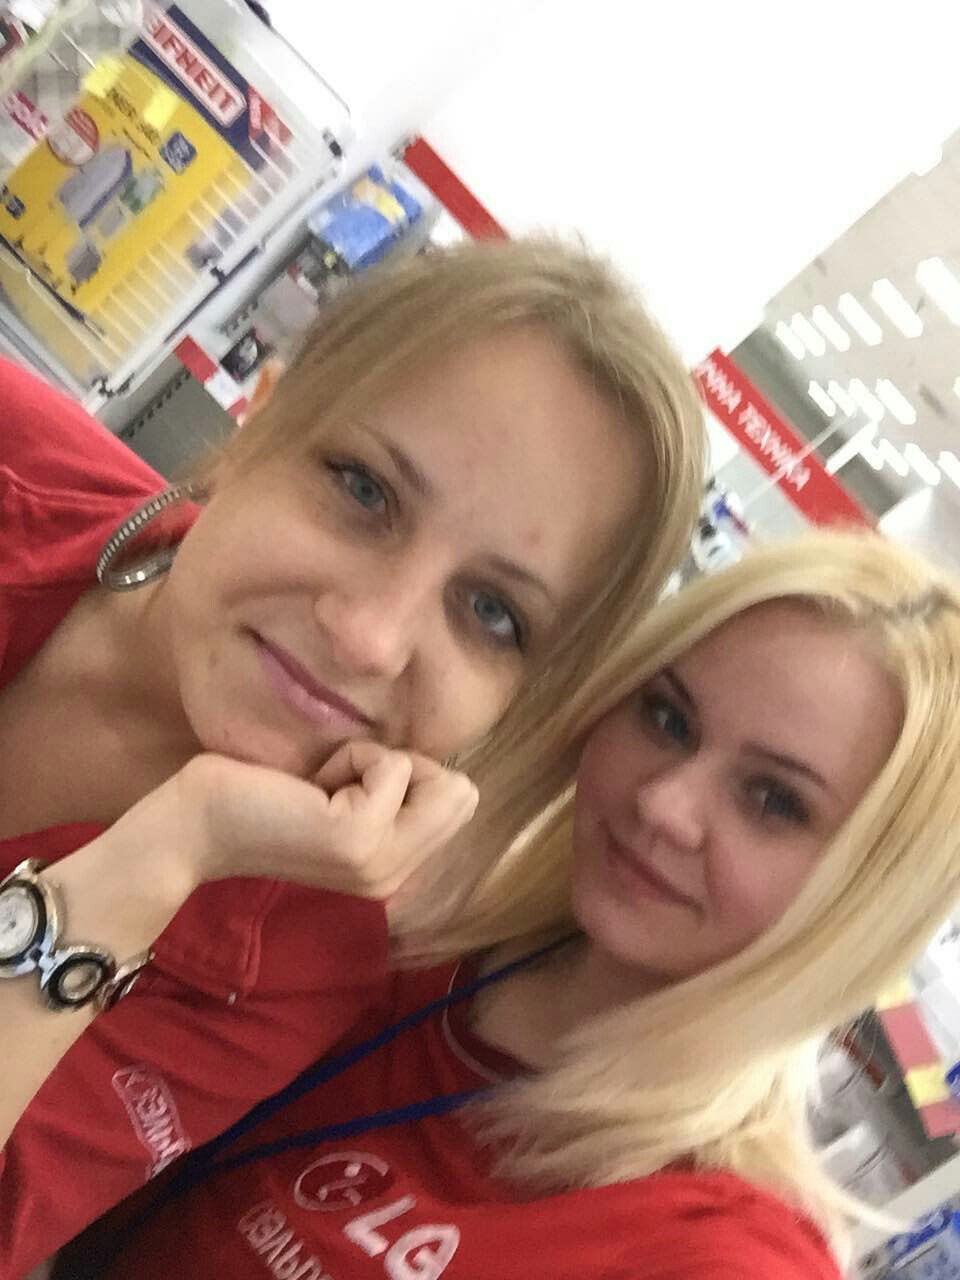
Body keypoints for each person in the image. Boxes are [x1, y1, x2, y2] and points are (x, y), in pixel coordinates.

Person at [0, 235, 705, 1275]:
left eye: (493, 613)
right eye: (364, 490)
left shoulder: (285, 965)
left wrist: (159, 857)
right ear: (261, 418)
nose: (371, 637)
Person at [60, 529, 960, 1280]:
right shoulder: (389, 934)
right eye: (668, 719)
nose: (664, 805)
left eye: (774, 802)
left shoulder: (717, 1256)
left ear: (868, 896)